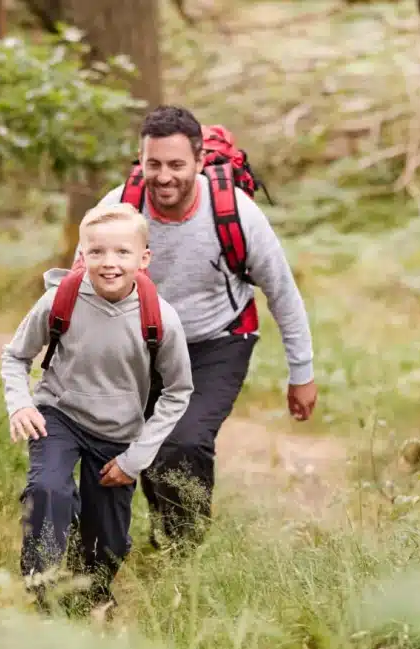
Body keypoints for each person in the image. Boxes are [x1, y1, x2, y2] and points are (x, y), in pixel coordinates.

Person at [90, 105, 318, 549]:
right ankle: (164, 536)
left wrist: (301, 372)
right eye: (153, 164)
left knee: (185, 440)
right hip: (144, 344)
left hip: (218, 340)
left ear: (198, 162)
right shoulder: (119, 209)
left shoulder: (238, 215)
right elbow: (79, 283)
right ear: (141, 161)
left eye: (177, 164)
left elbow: (282, 292)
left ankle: (183, 554)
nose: (164, 176)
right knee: (142, 440)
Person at [0, 202, 193, 614]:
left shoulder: (162, 319)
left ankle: (91, 596)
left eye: (122, 253)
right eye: (97, 252)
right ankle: (43, 592)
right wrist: (19, 404)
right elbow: (15, 357)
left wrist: (136, 458)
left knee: (107, 542)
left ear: (144, 258)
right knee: (47, 490)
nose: (109, 263)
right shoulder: (59, 301)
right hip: (60, 415)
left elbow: (178, 391)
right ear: (81, 254)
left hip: (120, 435)